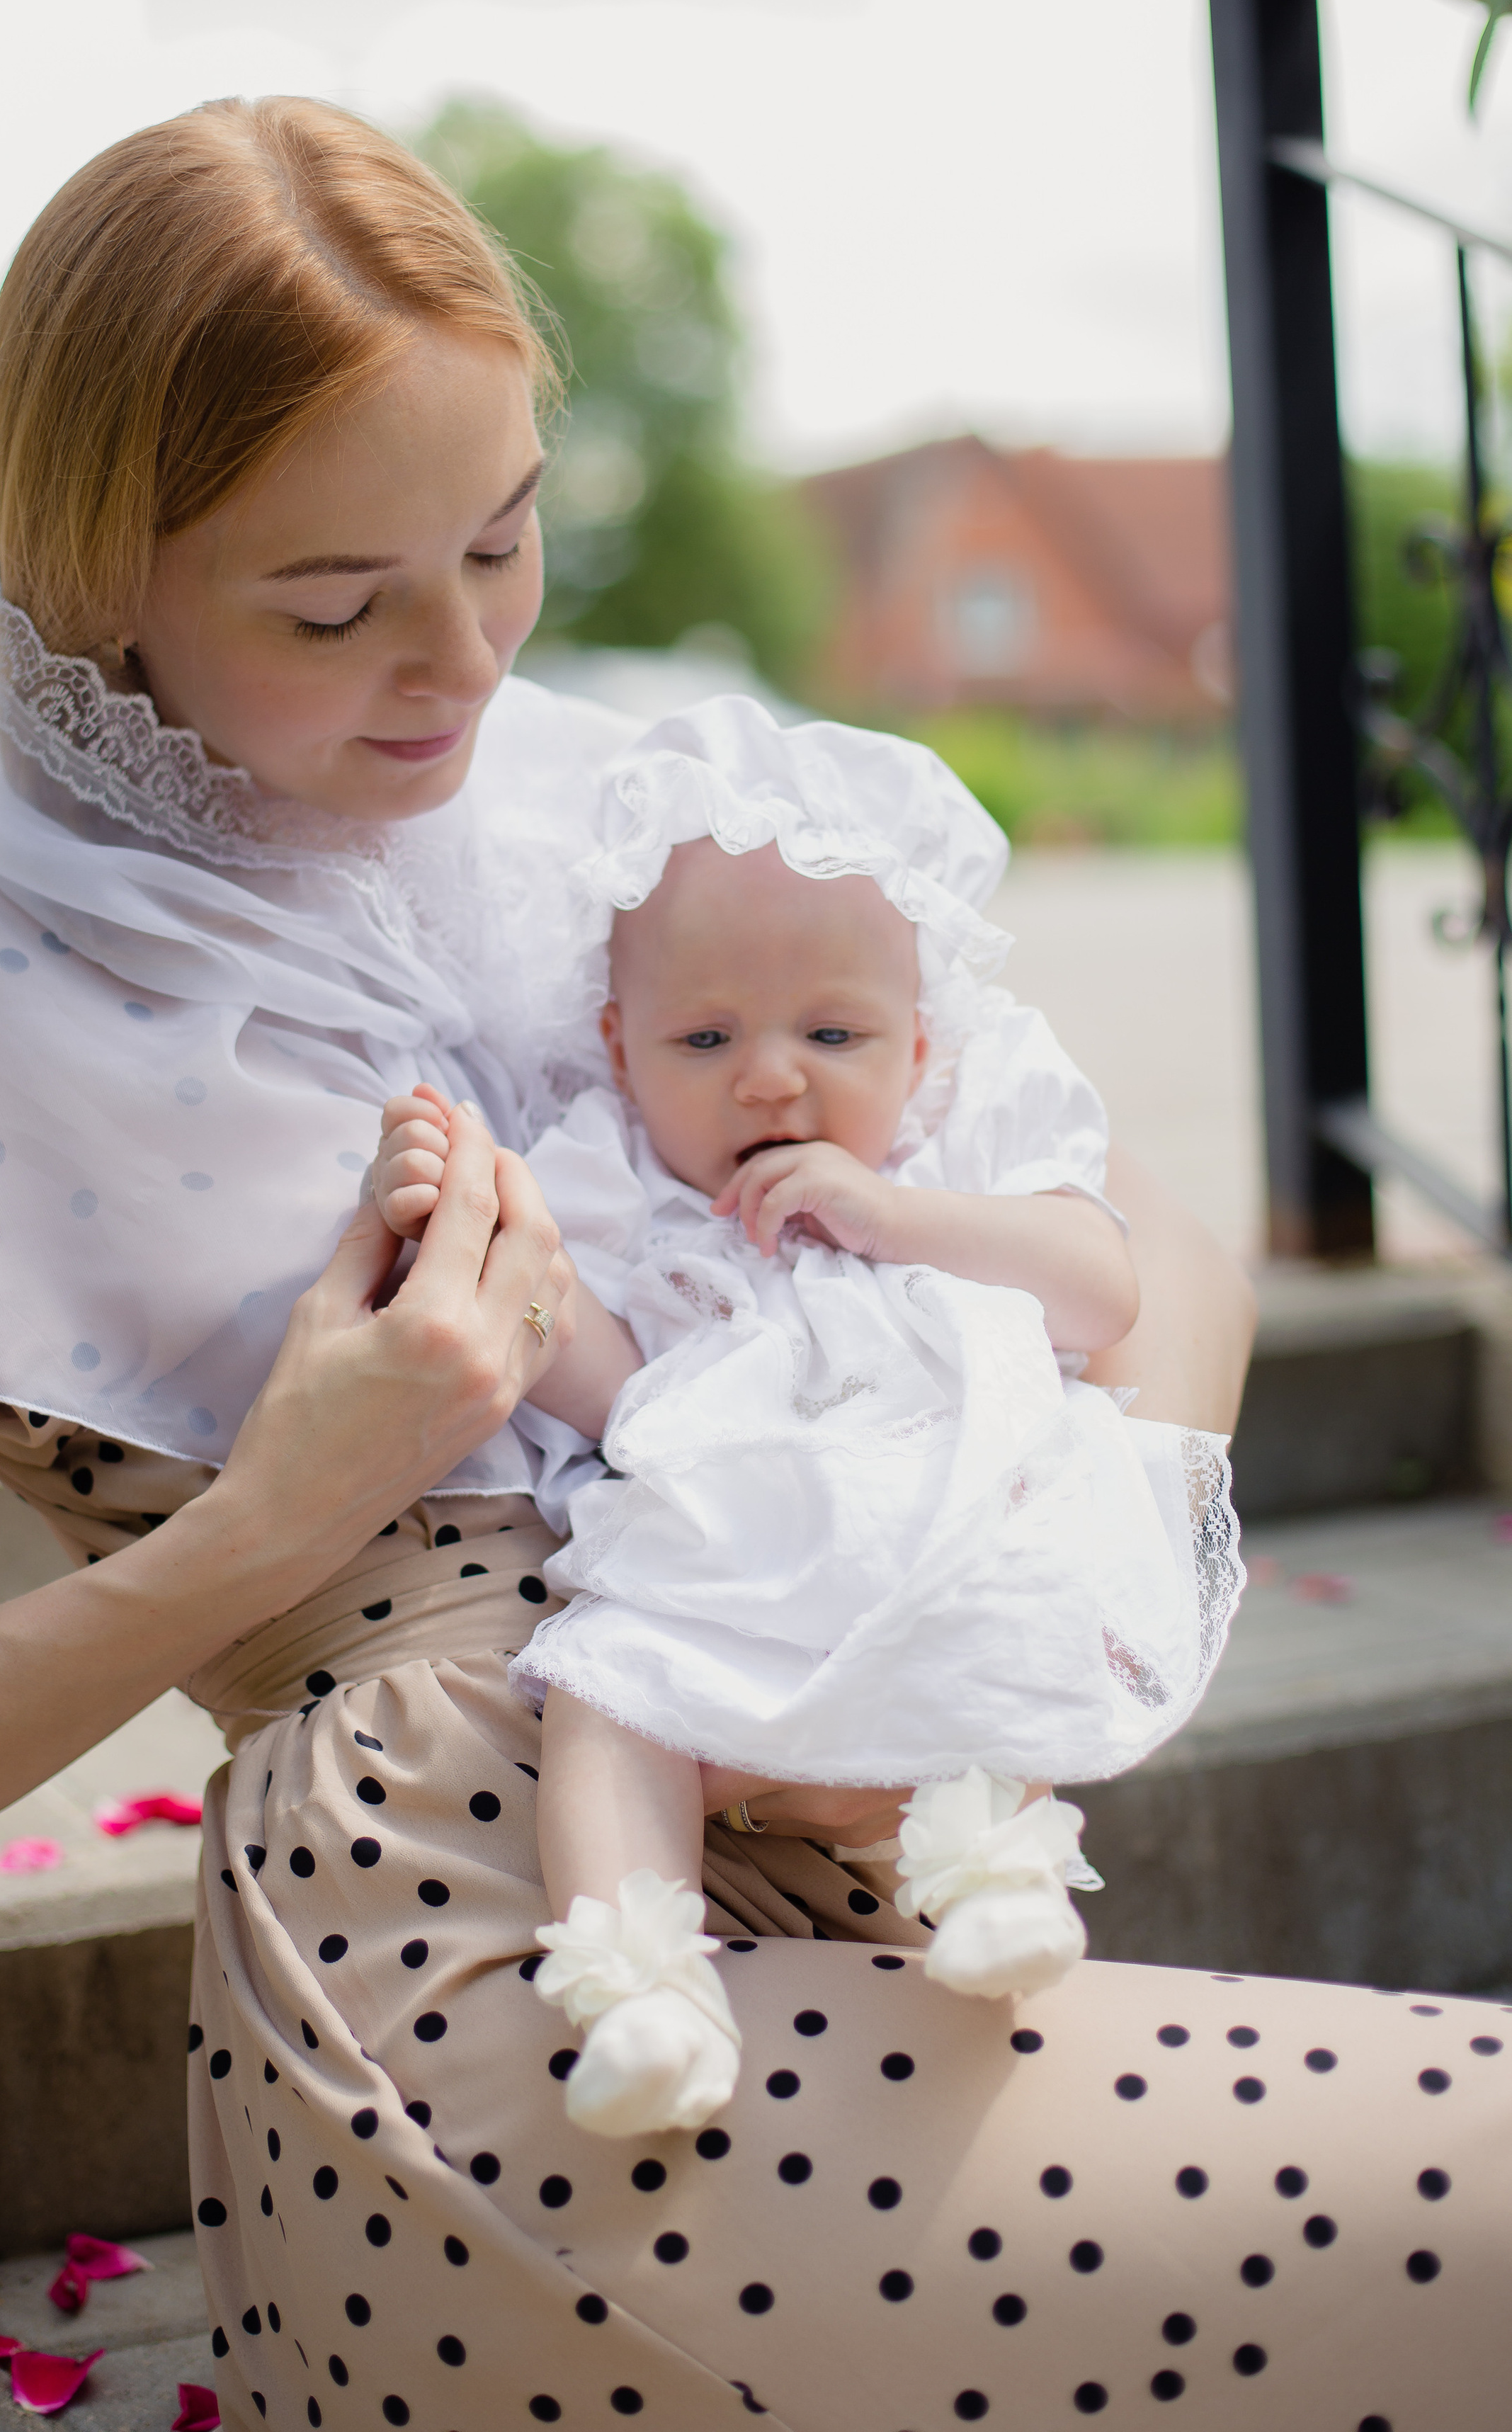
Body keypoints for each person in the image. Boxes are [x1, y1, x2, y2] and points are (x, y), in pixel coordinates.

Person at [0, 97, 1499, 2432]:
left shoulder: (612, 815)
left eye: (503, 539)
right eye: (334, 605)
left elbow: (1148, 1250)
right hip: (476, 1998)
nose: (457, 662)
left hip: (885, 1910)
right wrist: (262, 1529)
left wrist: (1018, 1624)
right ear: (95, 575)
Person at [373, 698, 1243, 2139]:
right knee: (609, 1698)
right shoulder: (616, 1183)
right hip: (720, 1542)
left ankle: (992, 1869)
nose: (770, 1075)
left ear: (919, 1040)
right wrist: (476, 1232)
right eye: (704, 1035)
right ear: (620, 1047)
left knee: (1013, 1591)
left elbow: (1100, 1292)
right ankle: (640, 1987)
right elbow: (610, 1391)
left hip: (942, 1494)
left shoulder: (958, 1146)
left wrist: (894, 1215)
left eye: (833, 1032)